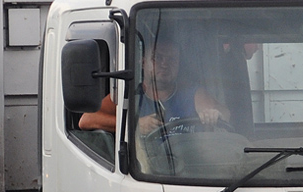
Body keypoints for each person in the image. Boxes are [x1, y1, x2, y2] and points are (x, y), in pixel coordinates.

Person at [78, 38, 228, 133]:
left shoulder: (192, 93)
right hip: (143, 172)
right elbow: (87, 119)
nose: (164, 64)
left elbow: (226, 115)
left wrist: (213, 114)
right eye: (158, 58)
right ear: (143, 63)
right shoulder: (129, 95)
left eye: (172, 59)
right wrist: (135, 125)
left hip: (189, 167)